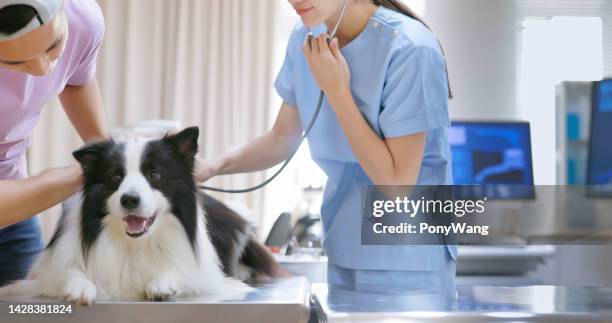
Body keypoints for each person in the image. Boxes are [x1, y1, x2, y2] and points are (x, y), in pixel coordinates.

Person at [197, 0, 456, 289]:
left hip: (408, 257)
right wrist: (213, 166)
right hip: (344, 246)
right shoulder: (307, 37)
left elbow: (397, 184)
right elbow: (282, 138)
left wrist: (337, 90)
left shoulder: (411, 49)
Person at [0, 0, 108, 285]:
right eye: (14, 62)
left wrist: (103, 149)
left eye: (53, 46)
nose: (41, 69)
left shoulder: (82, 18)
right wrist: (75, 177)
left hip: (14, 213)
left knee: (30, 312)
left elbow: (76, 77)